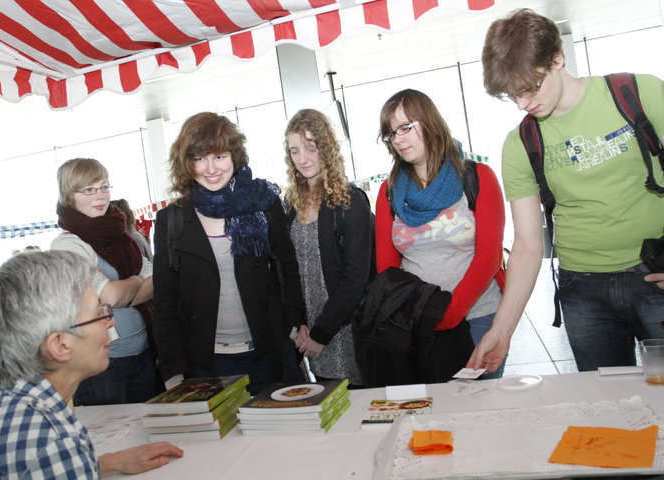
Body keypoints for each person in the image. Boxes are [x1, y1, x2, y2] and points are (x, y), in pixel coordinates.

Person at [474, 8, 664, 373]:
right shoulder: (521, 143)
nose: (522, 104)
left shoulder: (639, 93)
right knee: (609, 407)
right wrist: (503, 329)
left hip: (654, 272)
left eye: (530, 88)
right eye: (512, 95)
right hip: (583, 290)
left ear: (557, 58)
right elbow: (529, 245)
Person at [0, 250, 183, 477]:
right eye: (99, 313)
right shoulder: (50, 440)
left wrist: (106, 463)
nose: (110, 323)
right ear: (59, 345)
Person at [153, 112, 306, 394]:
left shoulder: (263, 203)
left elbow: (287, 267)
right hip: (205, 363)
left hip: (269, 353)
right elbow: (165, 302)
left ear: (234, 156)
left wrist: (294, 323)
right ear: (186, 163)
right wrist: (172, 370)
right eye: (199, 158)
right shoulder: (171, 220)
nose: (211, 168)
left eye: (219, 156)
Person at [376, 89, 506, 378]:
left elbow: (489, 257)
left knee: (481, 410)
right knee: (429, 414)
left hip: (478, 318)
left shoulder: (477, 177)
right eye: (391, 133)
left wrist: (448, 314)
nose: (398, 139)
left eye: (405, 127)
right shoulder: (389, 192)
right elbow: (387, 270)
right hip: (416, 323)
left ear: (430, 122)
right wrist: (419, 315)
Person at [51, 158, 161, 405]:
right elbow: (111, 296)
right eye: (89, 190)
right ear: (69, 195)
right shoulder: (68, 244)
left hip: (142, 352)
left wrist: (124, 289)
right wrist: (136, 279)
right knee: (112, 436)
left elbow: (154, 280)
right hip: (101, 362)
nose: (100, 195)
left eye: (103, 187)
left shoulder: (122, 237)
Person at [283, 108, 374, 387]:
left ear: (326, 147)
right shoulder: (290, 205)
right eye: (295, 150)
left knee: (357, 407)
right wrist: (298, 326)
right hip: (309, 334)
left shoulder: (350, 201)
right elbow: (289, 272)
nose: (303, 158)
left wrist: (322, 333)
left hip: (344, 330)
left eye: (311, 148)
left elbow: (356, 277)